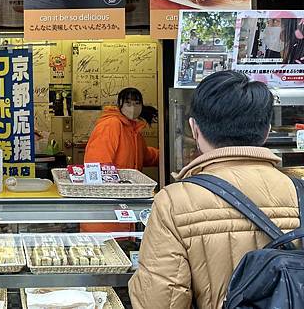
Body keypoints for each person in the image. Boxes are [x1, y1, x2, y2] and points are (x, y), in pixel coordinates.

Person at [129, 71, 300, 309]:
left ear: (194, 129)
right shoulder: (299, 192)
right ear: (267, 130)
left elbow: (159, 302)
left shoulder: (174, 202)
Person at [84, 88, 158, 169]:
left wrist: (165, 154)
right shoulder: (111, 124)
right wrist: (109, 180)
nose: (133, 108)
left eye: (137, 103)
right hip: (114, 181)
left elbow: (144, 155)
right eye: (128, 103)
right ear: (120, 104)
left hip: (128, 181)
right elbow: (97, 161)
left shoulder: (134, 129)